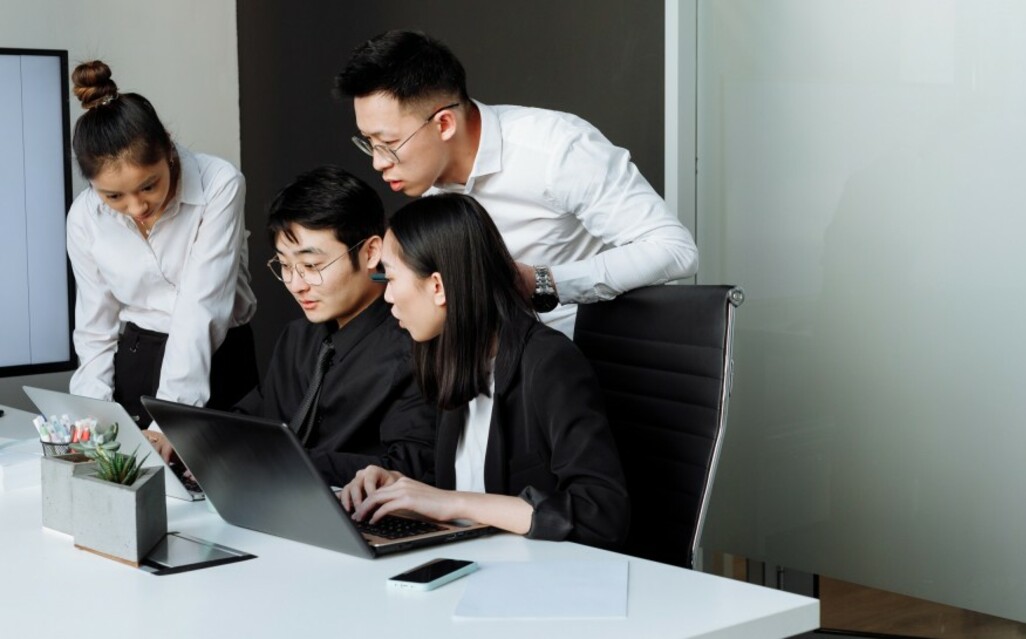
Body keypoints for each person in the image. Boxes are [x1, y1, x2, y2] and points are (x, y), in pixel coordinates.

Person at [334, 30, 699, 337]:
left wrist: (542, 282)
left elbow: (675, 250)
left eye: (389, 144)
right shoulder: (426, 181)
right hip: (486, 368)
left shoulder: (557, 149)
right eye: (368, 142)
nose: (378, 162)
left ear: (443, 124)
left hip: (586, 367)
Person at [340, 193, 629, 550]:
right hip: (480, 562)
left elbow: (602, 514)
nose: (386, 297)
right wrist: (400, 487)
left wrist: (452, 502)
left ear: (437, 287)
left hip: (544, 582)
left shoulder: (548, 362)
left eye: (392, 278)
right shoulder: (451, 356)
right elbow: (471, 477)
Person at [66, 60, 257, 462]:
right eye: (113, 197)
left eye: (148, 185)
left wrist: (170, 419)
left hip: (219, 357)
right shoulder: (84, 217)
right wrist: (93, 416)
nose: (136, 207)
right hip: (136, 358)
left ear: (168, 147)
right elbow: (95, 329)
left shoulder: (219, 183)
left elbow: (200, 307)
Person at [233, 166, 435, 486]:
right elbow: (253, 418)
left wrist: (282, 460)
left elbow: (411, 465)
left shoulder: (413, 346)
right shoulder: (296, 337)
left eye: (312, 266)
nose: (296, 284)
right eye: (285, 265)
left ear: (371, 252)